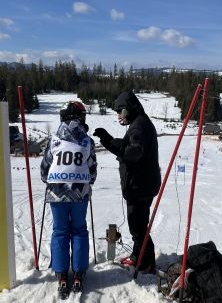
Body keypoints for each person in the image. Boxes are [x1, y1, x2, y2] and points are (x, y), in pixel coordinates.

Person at [93, 90, 161, 273]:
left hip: (139, 186)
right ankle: (138, 256)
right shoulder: (140, 123)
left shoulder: (138, 127)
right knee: (139, 225)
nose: (118, 116)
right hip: (143, 183)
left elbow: (132, 151)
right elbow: (127, 146)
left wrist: (113, 146)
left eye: (120, 111)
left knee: (138, 227)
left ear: (129, 109)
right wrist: (108, 140)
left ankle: (146, 263)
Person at [40, 101, 97, 297]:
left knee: (60, 231)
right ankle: (79, 273)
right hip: (80, 191)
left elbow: (45, 168)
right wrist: (88, 183)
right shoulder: (88, 141)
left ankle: (62, 274)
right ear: (81, 118)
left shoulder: (54, 139)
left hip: (57, 191)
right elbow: (92, 169)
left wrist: (47, 180)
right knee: (79, 230)